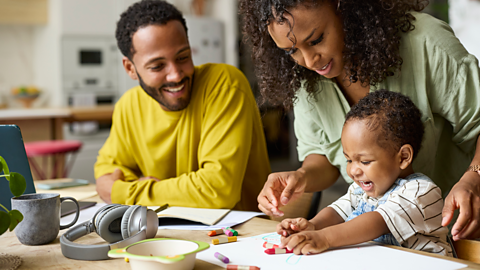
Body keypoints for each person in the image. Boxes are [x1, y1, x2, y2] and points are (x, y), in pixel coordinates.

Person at [239, 0, 480, 240]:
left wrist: (473, 178)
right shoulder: (304, 78)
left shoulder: (426, 43)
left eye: (316, 40)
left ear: (345, 8)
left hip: (459, 229)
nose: (310, 61)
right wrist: (301, 177)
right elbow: (323, 157)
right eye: (292, 51)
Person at [94, 0, 270, 211]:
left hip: (237, 235)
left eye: (183, 57)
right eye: (158, 66)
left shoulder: (225, 84)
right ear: (130, 68)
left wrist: (126, 192)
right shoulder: (128, 105)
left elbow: (218, 190)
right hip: (167, 233)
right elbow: (108, 170)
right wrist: (142, 188)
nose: (176, 75)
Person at [277, 90, 453, 256]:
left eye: (365, 161)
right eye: (349, 160)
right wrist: (312, 226)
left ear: (403, 157)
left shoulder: (420, 192)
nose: (353, 170)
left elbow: (377, 222)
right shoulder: (361, 189)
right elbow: (337, 211)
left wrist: (324, 237)